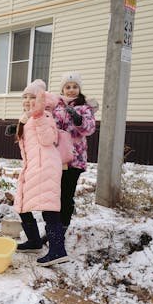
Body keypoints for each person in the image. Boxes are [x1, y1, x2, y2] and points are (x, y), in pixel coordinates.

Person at [12, 79, 67, 266]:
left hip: (45, 167)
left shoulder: (45, 116)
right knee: (21, 205)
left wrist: (39, 117)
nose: (28, 100)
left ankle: (58, 250)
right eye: (25, 97)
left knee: (49, 209)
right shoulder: (27, 117)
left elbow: (48, 139)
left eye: (33, 97)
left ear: (42, 99)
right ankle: (35, 241)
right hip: (33, 166)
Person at [51, 72, 96, 235]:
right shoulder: (56, 105)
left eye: (75, 86)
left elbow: (90, 129)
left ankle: (61, 229)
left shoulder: (85, 107)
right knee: (55, 196)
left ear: (79, 88)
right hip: (56, 158)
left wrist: (78, 119)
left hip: (75, 159)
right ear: (62, 89)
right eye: (68, 87)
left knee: (66, 196)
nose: (71, 90)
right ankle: (53, 229)